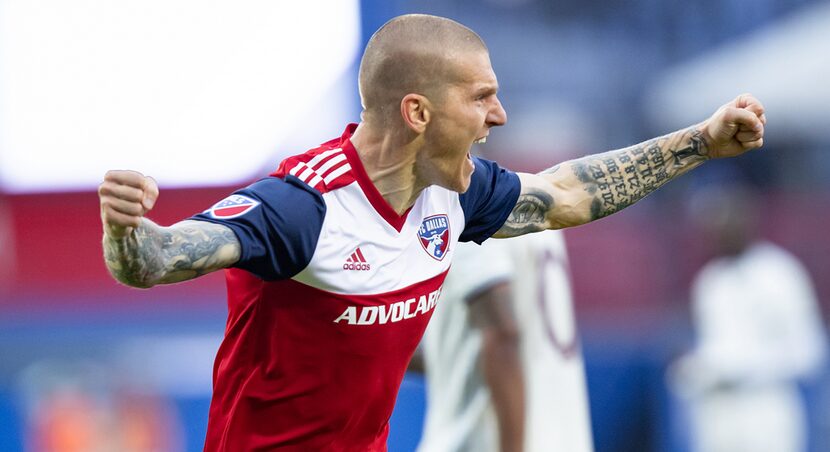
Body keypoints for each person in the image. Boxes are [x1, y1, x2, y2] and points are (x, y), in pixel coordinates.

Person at [98, 13, 766, 451]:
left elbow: (564, 194)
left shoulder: (453, 197)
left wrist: (701, 143)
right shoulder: (302, 208)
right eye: (480, 96)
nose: (498, 115)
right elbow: (154, 260)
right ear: (417, 111)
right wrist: (126, 227)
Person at [669, 185, 827, 452]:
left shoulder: (779, 273)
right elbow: (712, 348)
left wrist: (744, 368)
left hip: (765, 409)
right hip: (717, 413)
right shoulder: (710, 281)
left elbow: (810, 352)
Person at [416, 229, 593, 452]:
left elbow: (501, 333)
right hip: (558, 438)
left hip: (482, 442)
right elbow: (461, 349)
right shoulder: (537, 208)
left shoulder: (471, 206)